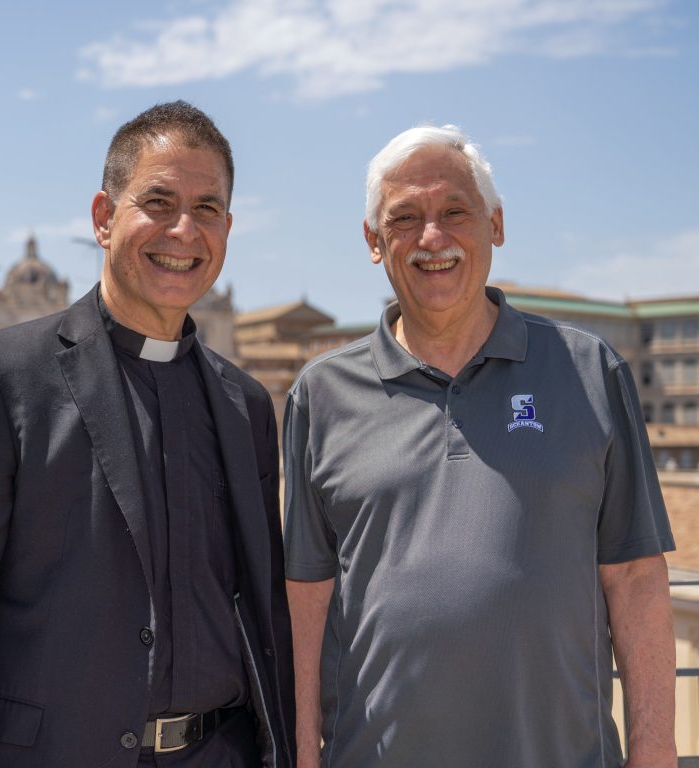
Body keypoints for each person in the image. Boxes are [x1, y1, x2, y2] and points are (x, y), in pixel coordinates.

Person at [0, 101, 294, 768]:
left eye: (207, 209)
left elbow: (263, 613)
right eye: (158, 202)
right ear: (104, 218)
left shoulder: (245, 405)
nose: (184, 230)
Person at [283, 124, 676, 768]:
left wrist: (655, 753)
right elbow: (307, 592)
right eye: (404, 218)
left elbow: (635, 578)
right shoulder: (319, 395)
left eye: (454, 212)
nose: (431, 238)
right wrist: (301, 751)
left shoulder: (590, 371)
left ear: (495, 224)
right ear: (373, 242)